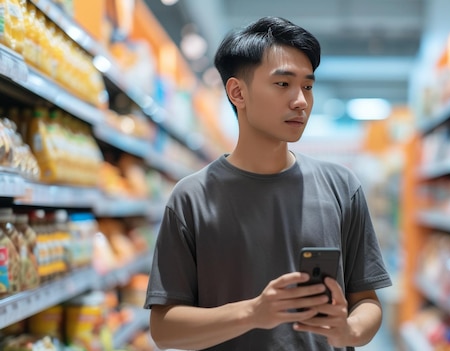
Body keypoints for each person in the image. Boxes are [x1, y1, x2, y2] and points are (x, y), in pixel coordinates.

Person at [144, 16, 392, 351]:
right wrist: (253, 312)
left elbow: (367, 301)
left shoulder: (341, 187)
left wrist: (346, 331)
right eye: (283, 84)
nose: (301, 101)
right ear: (237, 93)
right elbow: (164, 328)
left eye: (307, 86)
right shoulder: (191, 197)